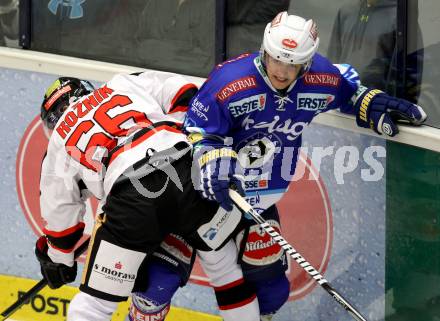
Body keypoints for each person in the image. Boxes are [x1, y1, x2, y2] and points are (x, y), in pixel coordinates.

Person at [183, 11, 427, 320]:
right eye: (276, 60)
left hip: (261, 198)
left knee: (271, 291)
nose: (282, 72)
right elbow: (197, 128)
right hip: (210, 194)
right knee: (161, 277)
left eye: (293, 64)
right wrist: (211, 157)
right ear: (264, 51)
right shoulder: (230, 81)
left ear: (307, 63)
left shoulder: (321, 78)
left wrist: (367, 102)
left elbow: (349, 94)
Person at [34, 73, 256, 321]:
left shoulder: (59, 138)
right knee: (226, 272)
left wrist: (58, 259)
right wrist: (179, 135)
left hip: (132, 196)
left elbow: (60, 217)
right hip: (185, 168)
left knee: (94, 306)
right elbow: (186, 91)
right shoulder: (121, 83)